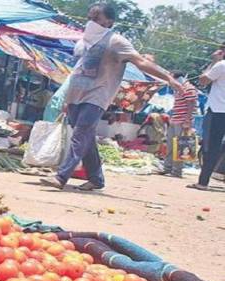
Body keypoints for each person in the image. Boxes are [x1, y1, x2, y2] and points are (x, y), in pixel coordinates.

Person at [40, 3, 182, 191]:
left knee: (80, 133)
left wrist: (169, 78)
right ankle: (97, 179)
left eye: (97, 18)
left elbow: (141, 62)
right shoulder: (82, 42)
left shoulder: (116, 41)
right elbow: (77, 69)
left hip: (98, 94)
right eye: (90, 17)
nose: (91, 22)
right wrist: (67, 98)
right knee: (86, 137)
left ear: (109, 21)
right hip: (75, 95)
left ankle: (61, 176)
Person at [189, 46, 225, 190]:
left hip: (218, 110)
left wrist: (214, 61)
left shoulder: (221, 65)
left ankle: (203, 182)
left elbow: (203, 80)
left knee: (210, 147)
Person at [162, 71, 198, 177]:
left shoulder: (189, 88)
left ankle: (177, 171)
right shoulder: (178, 89)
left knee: (181, 147)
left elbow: (191, 104)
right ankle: (167, 168)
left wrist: (187, 120)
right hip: (175, 120)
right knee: (170, 145)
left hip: (182, 121)